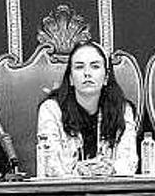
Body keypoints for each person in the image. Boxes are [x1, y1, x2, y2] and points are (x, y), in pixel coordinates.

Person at [37, 41, 138, 176]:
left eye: (95, 66)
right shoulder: (51, 110)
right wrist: (78, 171)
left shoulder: (123, 110)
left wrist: (111, 169)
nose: (87, 73)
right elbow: (50, 166)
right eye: (79, 67)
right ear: (71, 78)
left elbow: (129, 161)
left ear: (106, 77)